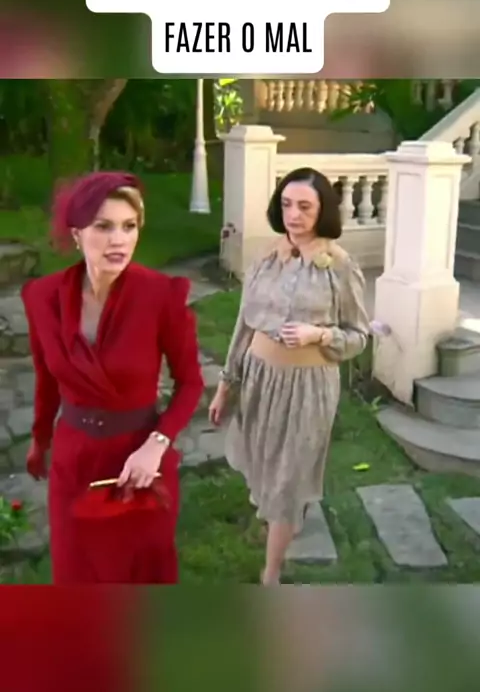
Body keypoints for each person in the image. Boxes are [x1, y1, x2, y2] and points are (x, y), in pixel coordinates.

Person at [21, 171, 204, 584]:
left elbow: (191, 383)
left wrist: (156, 445)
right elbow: (46, 379)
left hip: (138, 462)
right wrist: (40, 440)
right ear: (76, 234)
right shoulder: (42, 297)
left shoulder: (161, 296)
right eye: (103, 227)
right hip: (74, 460)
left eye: (129, 226)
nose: (118, 240)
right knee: (78, 577)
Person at [208, 167, 370, 585]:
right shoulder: (267, 260)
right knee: (265, 462)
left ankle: (271, 573)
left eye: (305, 207)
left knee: (289, 477)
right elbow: (244, 326)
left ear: (323, 211)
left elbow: (359, 336)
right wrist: (226, 385)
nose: (294, 215)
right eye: (286, 205)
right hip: (259, 380)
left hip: (308, 386)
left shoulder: (340, 267)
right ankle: (283, 518)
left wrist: (321, 334)